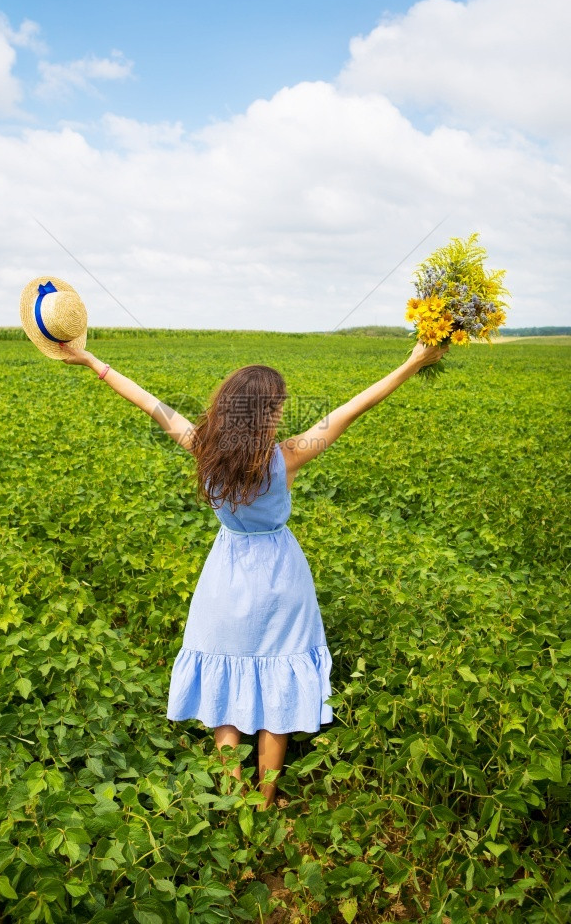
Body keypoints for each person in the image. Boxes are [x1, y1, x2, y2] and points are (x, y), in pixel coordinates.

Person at [58, 338, 447, 809]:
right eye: (279, 406)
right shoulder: (286, 457)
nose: (282, 413)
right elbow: (355, 407)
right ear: (267, 413)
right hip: (282, 580)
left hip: (226, 577)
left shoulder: (204, 448)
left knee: (227, 682)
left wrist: (89, 360)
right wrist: (413, 362)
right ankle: (265, 801)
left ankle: (232, 796)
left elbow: (147, 401)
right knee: (278, 686)